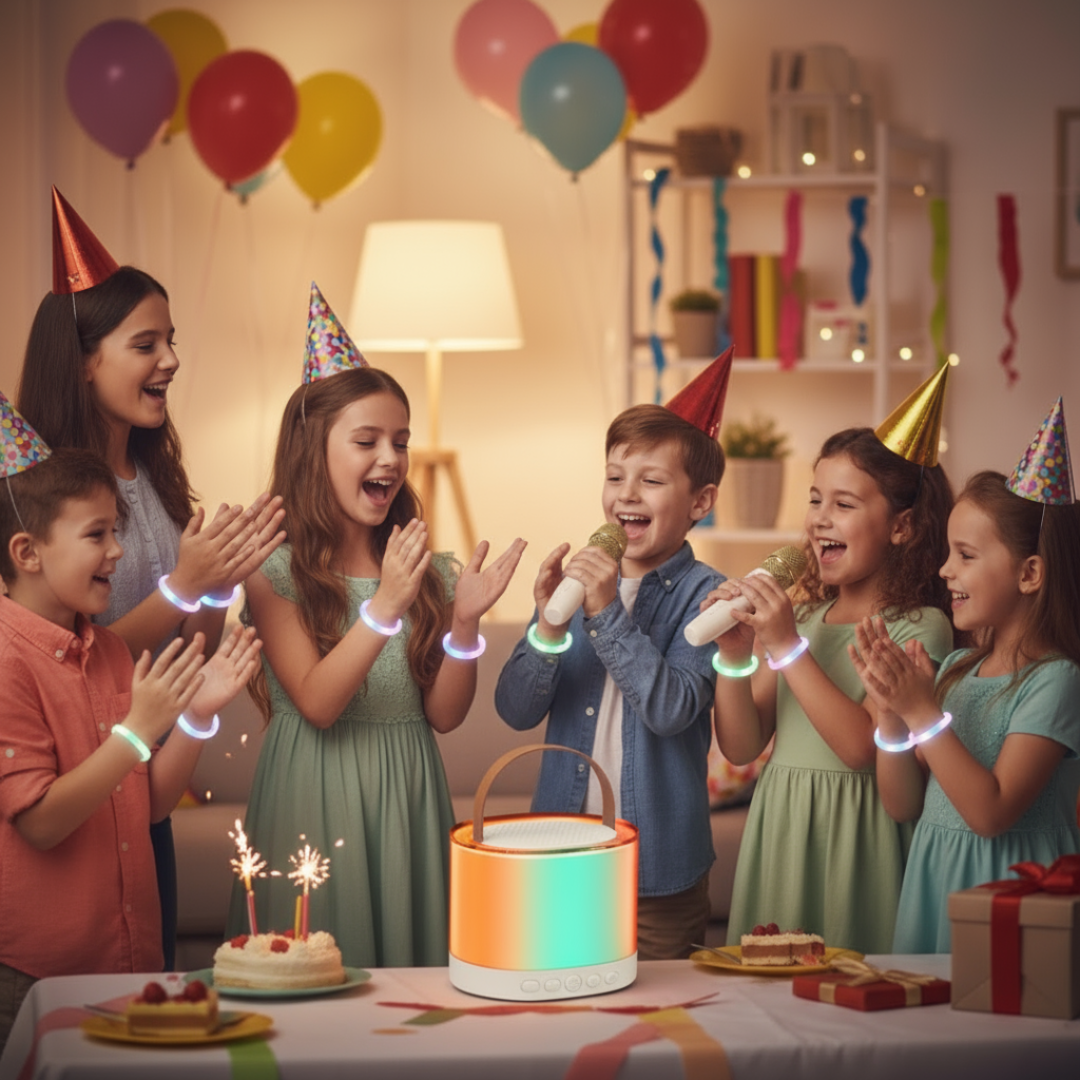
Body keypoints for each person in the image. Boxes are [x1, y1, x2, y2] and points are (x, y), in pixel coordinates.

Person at [16, 187, 285, 970]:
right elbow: (69, 646)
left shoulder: (156, 476)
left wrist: (213, 586)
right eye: (146, 343)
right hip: (78, 774)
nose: (169, 360)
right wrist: (181, 587)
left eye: (171, 339)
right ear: (84, 359)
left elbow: (177, 651)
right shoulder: (42, 503)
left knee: (151, 977)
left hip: (151, 773)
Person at [226, 285, 527, 968]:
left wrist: (466, 623)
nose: (390, 458)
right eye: (366, 441)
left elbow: (445, 715)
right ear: (312, 451)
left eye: (400, 440)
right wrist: (385, 603)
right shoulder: (273, 572)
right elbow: (319, 702)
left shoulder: (429, 568)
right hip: (315, 790)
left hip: (407, 790)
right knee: (310, 977)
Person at [0, 404, 261, 1054]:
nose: (118, 551)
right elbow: (41, 820)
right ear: (27, 552)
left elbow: (149, 806)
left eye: (116, 530)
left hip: (130, 960)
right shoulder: (6, 662)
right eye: (97, 535)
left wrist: (198, 714)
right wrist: (138, 731)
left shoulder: (113, 653)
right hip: (35, 976)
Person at [709, 365, 956, 955]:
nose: (819, 517)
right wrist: (737, 658)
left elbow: (861, 749)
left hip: (858, 838)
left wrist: (786, 644)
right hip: (784, 827)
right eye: (816, 498)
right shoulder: (808, 619)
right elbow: (742, 745)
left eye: (843, 504)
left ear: (902, 526)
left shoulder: (920, 626)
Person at [496, 350, 734, 960]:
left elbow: (672, 709)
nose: (625, 494)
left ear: (699, 503)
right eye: (614, 476)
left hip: (658, 872)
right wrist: (550, 623)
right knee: (558, 1003)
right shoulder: (578, 583)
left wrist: (605, 613)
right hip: (561, 855)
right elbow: (516, 709)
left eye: (651, 481)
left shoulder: (705, 595)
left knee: (658, 1026)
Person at [850, 399, 1080, 953]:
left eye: (966, 555)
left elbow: (990, 811)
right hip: (936, 882)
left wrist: (923, 712)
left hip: (1013, 899)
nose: (944, 569)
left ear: (1030, 573)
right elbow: (903, 803)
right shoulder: (955, 668)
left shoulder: (1056, 681)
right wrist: (891, 712)